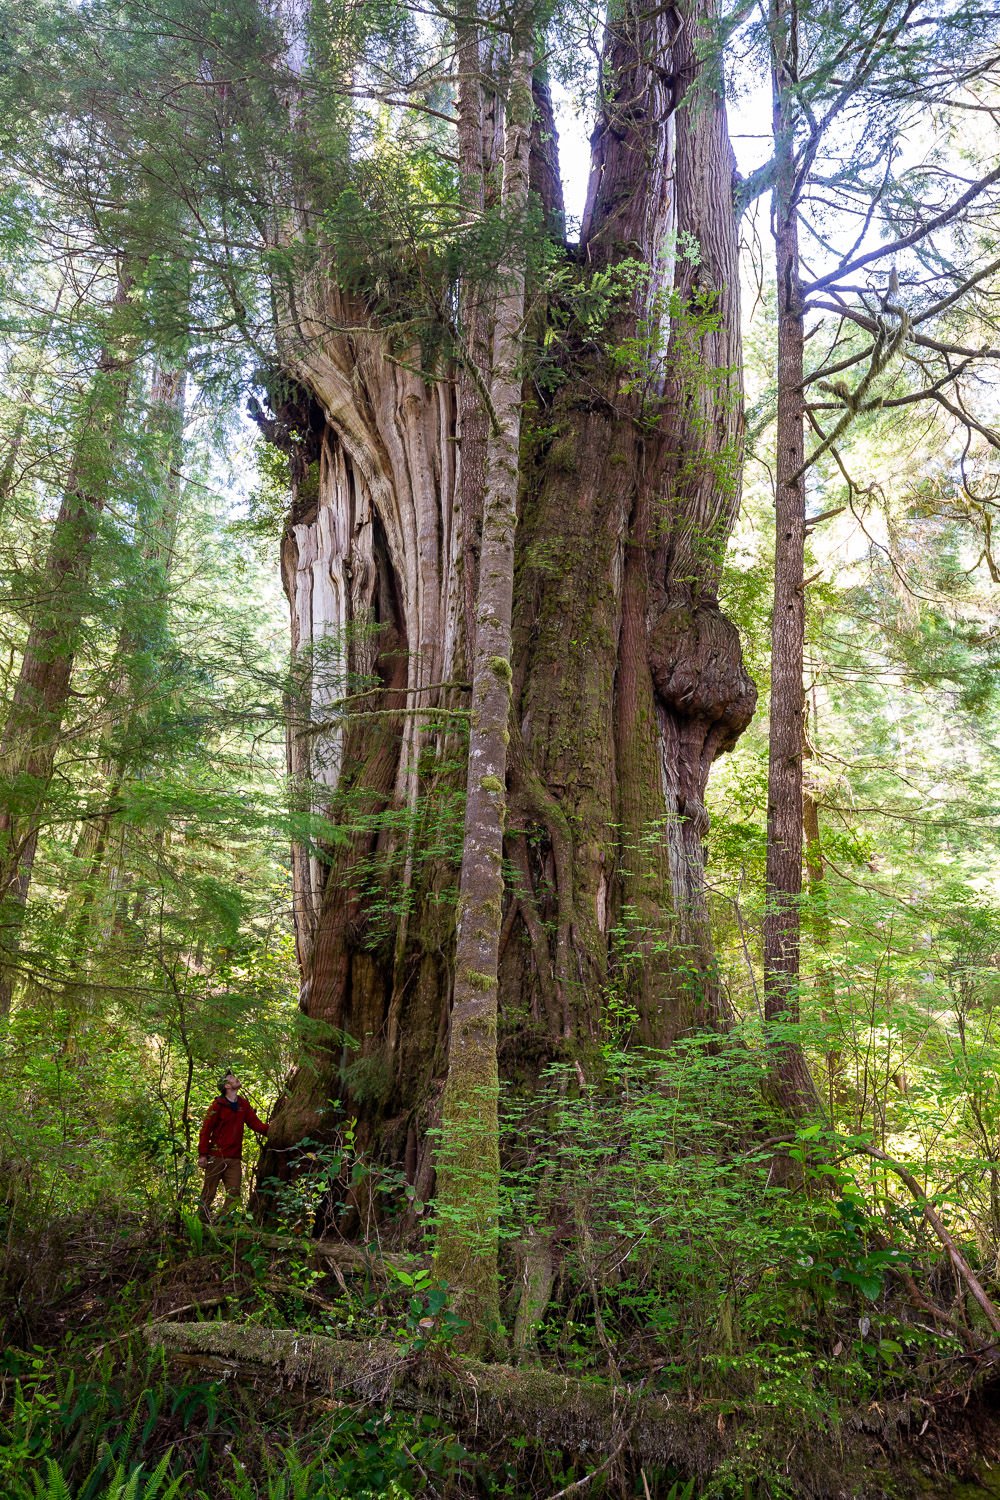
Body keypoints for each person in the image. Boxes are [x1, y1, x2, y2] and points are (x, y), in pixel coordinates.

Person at [197, 1072, 269, 1221]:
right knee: (209, 1192)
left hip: (234, 1158)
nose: (236, 1078)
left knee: (234, 1193)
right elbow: (205, 1130)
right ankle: (199, 1223)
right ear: (227, 1086)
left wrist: (272, 1130)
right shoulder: (217, 1106)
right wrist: (203, 1154)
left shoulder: (243, 1104)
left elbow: (255, 1124)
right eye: (231, 1078)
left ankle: (221, 1223)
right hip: (216, 1157)